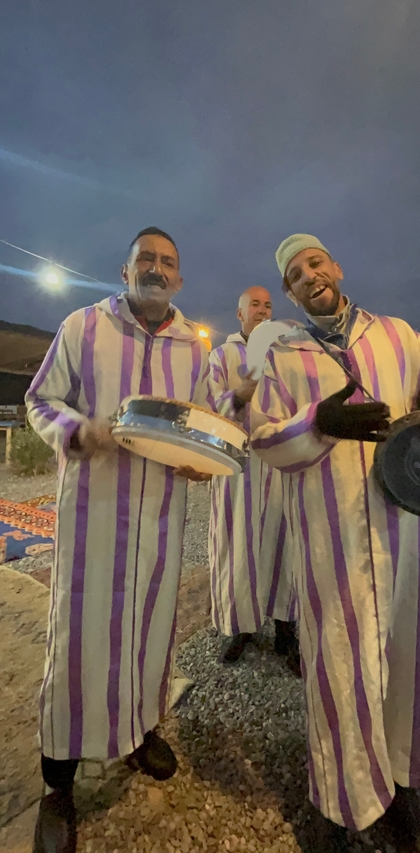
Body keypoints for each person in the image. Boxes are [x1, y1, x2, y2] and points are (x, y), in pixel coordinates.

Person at [250, 234, 420, 852]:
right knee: (337, 670)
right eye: (297, 274)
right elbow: (265, 441)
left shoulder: (397, 335)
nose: (310, 276)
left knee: (401, 661)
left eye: (316, 263)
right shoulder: (284, 357)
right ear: (292, 293)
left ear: (337, 267)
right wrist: (317, 423)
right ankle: (342, 800)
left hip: (402, 532)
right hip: (328, 542)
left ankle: (402, 788)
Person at [26, 227, 211, 853]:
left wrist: (204, 460)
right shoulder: (83, 327)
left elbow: (207, 422)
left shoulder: (194, 349)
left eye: (168, 262)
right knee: (78, 643)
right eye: (146, 260)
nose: (157, 269)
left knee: (150, 630)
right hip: (94, 520)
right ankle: (58, 784)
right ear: (125, 270)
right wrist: (79, 432)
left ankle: (137, 734)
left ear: (179, 279)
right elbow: (40, 399)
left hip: (160, 518)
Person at [208, 287, 299, 674]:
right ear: (239, 314)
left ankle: (285, 628)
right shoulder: (222, 356)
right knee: (238, 546)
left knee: (285, 545)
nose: (262, 311)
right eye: (254, 306)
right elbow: (210, 405)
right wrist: (240, 395)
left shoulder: (286, 356)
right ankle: (241, 628)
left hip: (279, 467)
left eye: (268, 305)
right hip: (238, 469)